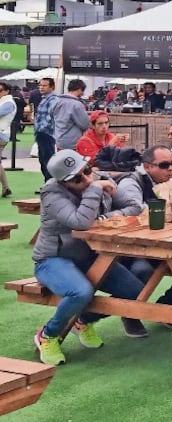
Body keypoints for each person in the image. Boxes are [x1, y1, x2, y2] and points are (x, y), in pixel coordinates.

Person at [31, 150, 147, 364]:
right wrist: (94, 189)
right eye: (77, 178)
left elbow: (135, 207)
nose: (86, 179)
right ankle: (48, 334)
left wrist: (104, 217)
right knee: (80, 292)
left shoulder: (101, 178)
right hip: (52, 260)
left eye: (86, 171)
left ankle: (82, 320)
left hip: (88, 256)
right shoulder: (52, 194)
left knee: (136, 291)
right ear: (62, 182)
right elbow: (81, 222)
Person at [115, 145, 172, 308]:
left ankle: (167, 306)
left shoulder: (170, 182)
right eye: (164, 165)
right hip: (130, 247)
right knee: (143, 272)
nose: (171, 169)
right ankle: (110, 316)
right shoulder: (131, 183)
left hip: (160, 243)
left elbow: (166, 212)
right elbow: (135, 214)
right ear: (147, 167)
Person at [52, 78, 89, 151]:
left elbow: (51, 119)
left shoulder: (56, 102)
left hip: (58, 140)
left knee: (61, 161)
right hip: (73, 143)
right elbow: (85, 124)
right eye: (82, 91)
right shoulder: (77, 105)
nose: (83, 94)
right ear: (79, 89)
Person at [34, 77, 58, 184]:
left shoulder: (53, 99)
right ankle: (48, 183)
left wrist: (41, 129)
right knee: (43, 160)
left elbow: (51, 117)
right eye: (40, 85)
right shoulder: (44, 98)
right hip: (41, 133)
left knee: (48, 160)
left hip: (47, 134)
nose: (41, 87)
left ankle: (51, 183)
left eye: (44, 85)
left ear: (52, 87)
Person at [0, 82, 15, 197]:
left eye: (0, 90)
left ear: (6, 91)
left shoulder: (8, 103)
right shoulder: (4, 101)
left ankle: (6, 188)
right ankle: (6, 188)